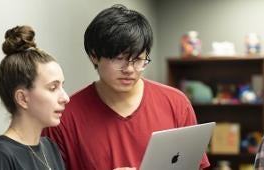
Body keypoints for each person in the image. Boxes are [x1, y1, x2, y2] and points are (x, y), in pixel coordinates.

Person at [43, 4, 209, 170]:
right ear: (94, 55)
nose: (129, 69)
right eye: (119, 58)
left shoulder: (176, 103)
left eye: (137, 60)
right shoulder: (64, 116)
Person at [0, 25, 70, 170]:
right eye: (53, 88)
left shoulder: (50, 148)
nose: (65, 98)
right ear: (22, 98)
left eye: (62, 86)